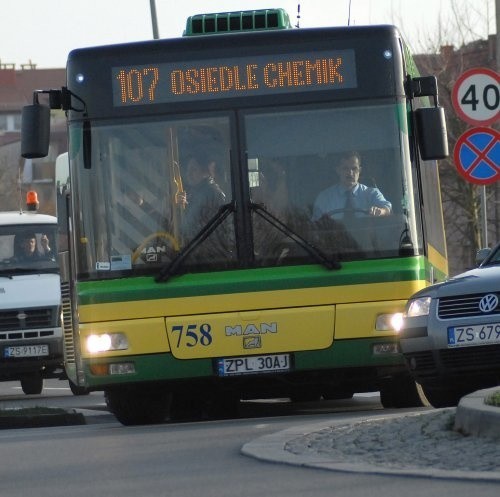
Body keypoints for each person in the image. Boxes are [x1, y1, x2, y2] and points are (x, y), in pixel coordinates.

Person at [312, 151, 392, 221]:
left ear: (360, 171)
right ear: (338, 170)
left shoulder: (371, 193)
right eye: (345, 168)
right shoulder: (325, 197)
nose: (350, 173)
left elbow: (388, 209)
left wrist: (380, 211)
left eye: (354, 169)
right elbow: (315, 224)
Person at [179, 149, 226, 239]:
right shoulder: (196, 191)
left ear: (205, 171)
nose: (188, 173)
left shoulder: (211, 193)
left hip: (205, 247)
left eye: (193, 169)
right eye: (188, 170)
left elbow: (192, 225)